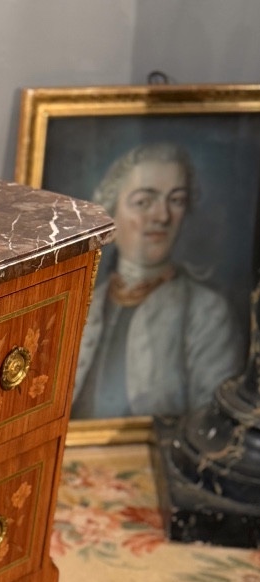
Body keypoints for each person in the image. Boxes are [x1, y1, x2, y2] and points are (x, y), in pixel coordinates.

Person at [73, 142, 243, 420]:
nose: (162, 216)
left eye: (175, 200)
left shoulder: (207, 313)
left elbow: (213, 426)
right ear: (111, 210)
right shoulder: (80, 303)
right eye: (144, 202)